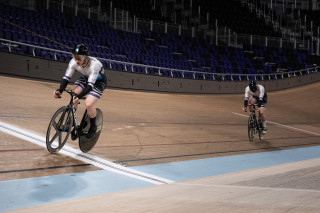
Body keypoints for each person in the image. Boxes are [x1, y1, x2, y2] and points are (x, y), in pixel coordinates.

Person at [53, 44, 106, 139]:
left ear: (86, 58)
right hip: (86, 77)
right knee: (74, 93)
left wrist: (79, 96)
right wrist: (60, 90)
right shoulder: (73, 62)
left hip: (98, 82)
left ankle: (93, 127)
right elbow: (66, 78)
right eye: (75, 56)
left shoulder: (95, 65)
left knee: (89, 104)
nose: (77, 60)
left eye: (80, 57)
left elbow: (90, 85)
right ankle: (71, 120)